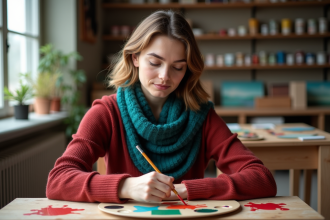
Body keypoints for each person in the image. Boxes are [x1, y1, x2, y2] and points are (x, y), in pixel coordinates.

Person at [46, 10, 277, 204]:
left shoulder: (202, 116)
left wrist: (187, 190)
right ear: (135, 58)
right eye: (155, 63)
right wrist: (125, 187)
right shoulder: (106, 112)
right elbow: (58, 180)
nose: (165, 76)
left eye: (178, 67)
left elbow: (262, 179)